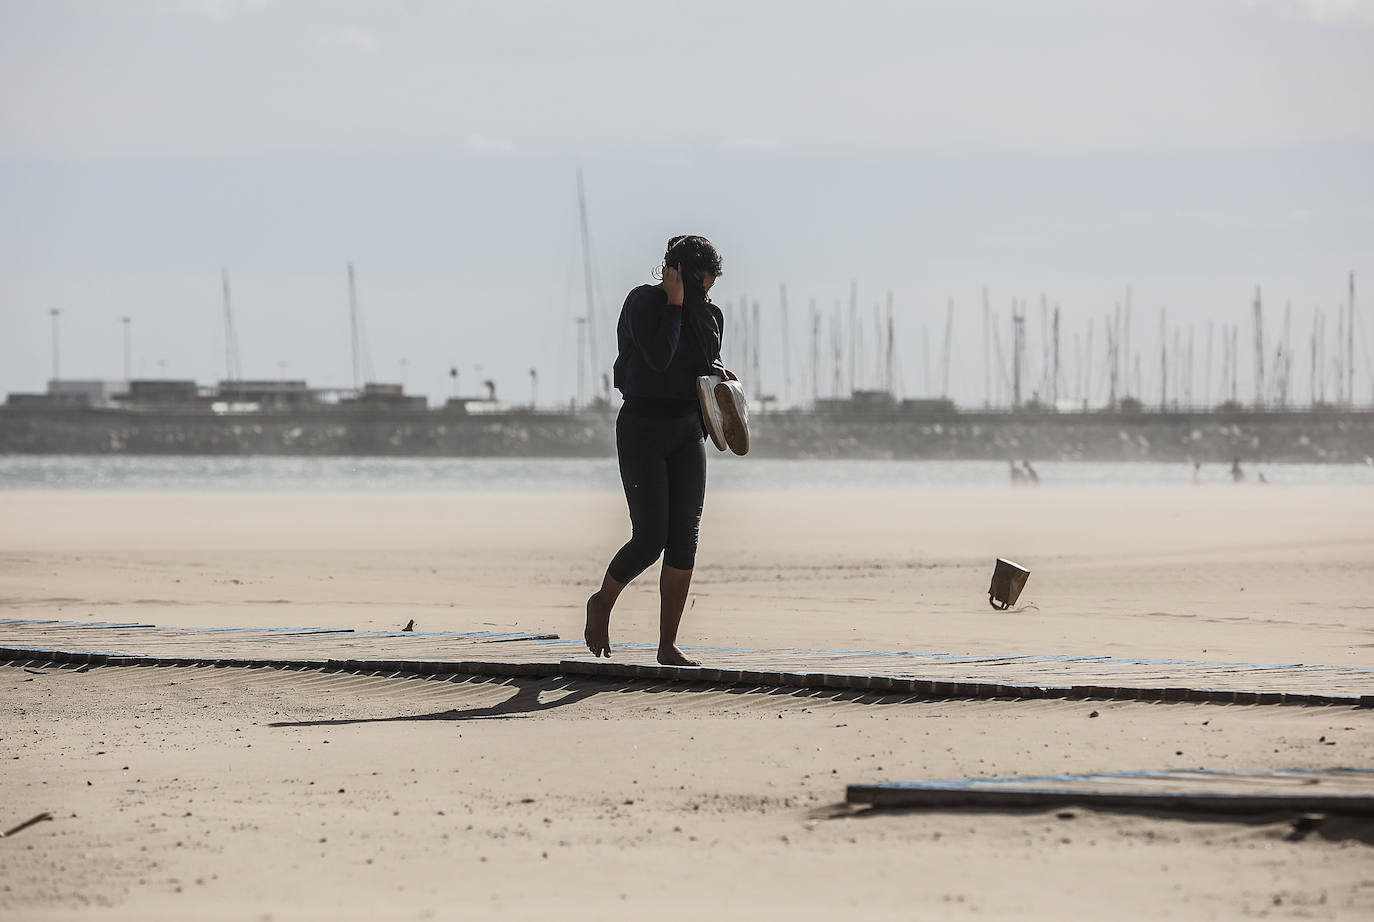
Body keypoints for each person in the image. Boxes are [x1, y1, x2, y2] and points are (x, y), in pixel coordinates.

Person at [584, 235, 730, 666]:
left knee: (685, 538)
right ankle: (602, 602)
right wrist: (673, 303)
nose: (706, 295)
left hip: (688, 431)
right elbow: (659, 359)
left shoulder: (709, 314)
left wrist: (719, 369)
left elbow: (703, 366)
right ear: (679, 274)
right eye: (701, 286)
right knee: (650, 539)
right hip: (642, 429)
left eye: (709, 289)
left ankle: (667, 646)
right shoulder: (642, 304)